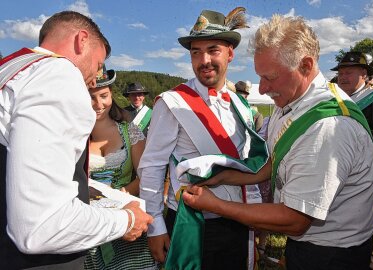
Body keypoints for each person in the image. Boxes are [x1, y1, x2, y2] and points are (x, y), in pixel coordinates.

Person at [182, 14, 373, 269]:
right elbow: (277, 162)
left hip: (332, 255)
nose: (261, 89)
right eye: (260, 77)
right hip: (311, 245)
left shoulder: (326, 128)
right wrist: (224, 177)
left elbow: (295, 219)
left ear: (306, 65)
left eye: (270, 77)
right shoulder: (294, 102)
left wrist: (216, 204)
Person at [0, 11, 152, 270]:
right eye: (98, 62)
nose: (95, 76)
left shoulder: (13, 71)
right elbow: (40, 226)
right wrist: (126, 221)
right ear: (82, 40)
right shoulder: (58, 74)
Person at [138, 7, 262, 270]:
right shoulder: (172, 102)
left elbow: (246, 165)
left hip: (236, 222)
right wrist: (155, 226)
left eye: (213, 50)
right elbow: (152, 166)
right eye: (196, 52)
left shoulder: (240, 105)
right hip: (191, 224)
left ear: (230, 53)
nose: (203, 60)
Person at [84, 66, 158, 270]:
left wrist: (122, 194)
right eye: (91, 97)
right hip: (89, 223)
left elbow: (145, 176)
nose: (99, 104)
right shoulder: (74, 134)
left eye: (104, 96)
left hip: (128, 218)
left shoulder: (129, 130)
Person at [333, 51, 373, 217]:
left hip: (366, 177)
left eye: (348, 73)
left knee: (361, 225)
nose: (342, 77)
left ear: (364, 74)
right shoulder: (334, 100)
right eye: (340, 73)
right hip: (336, 172)